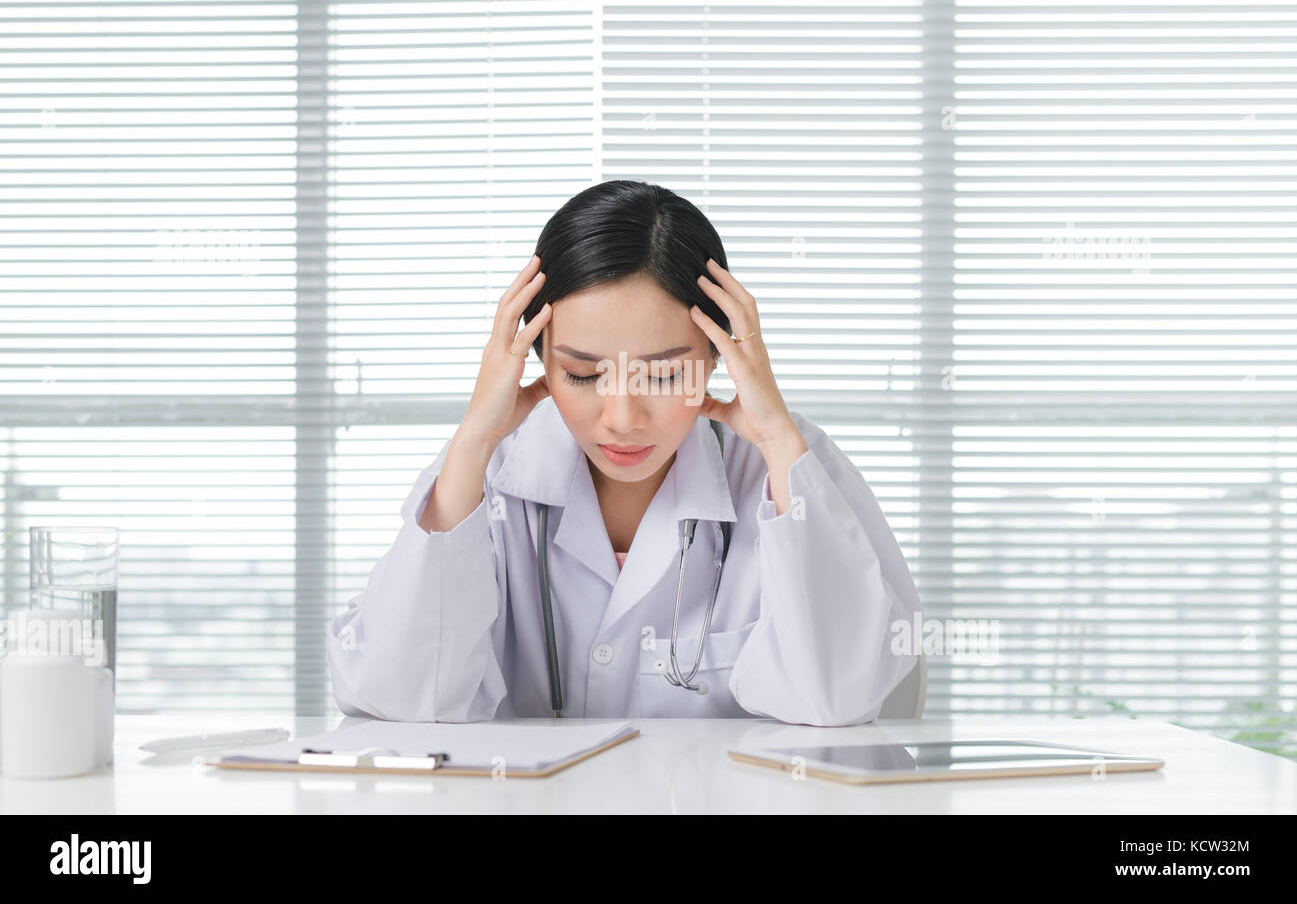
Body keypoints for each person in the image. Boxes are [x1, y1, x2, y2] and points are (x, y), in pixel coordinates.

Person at [326, 180, 923, 725]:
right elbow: (396, 695)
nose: (621, 419)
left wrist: (775, 437)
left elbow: (840, 697)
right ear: (536, 360)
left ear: (721, 356)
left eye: (663, 377)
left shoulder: (789, 465)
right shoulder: (489, 470)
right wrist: (474, 441)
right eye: (581, 375)